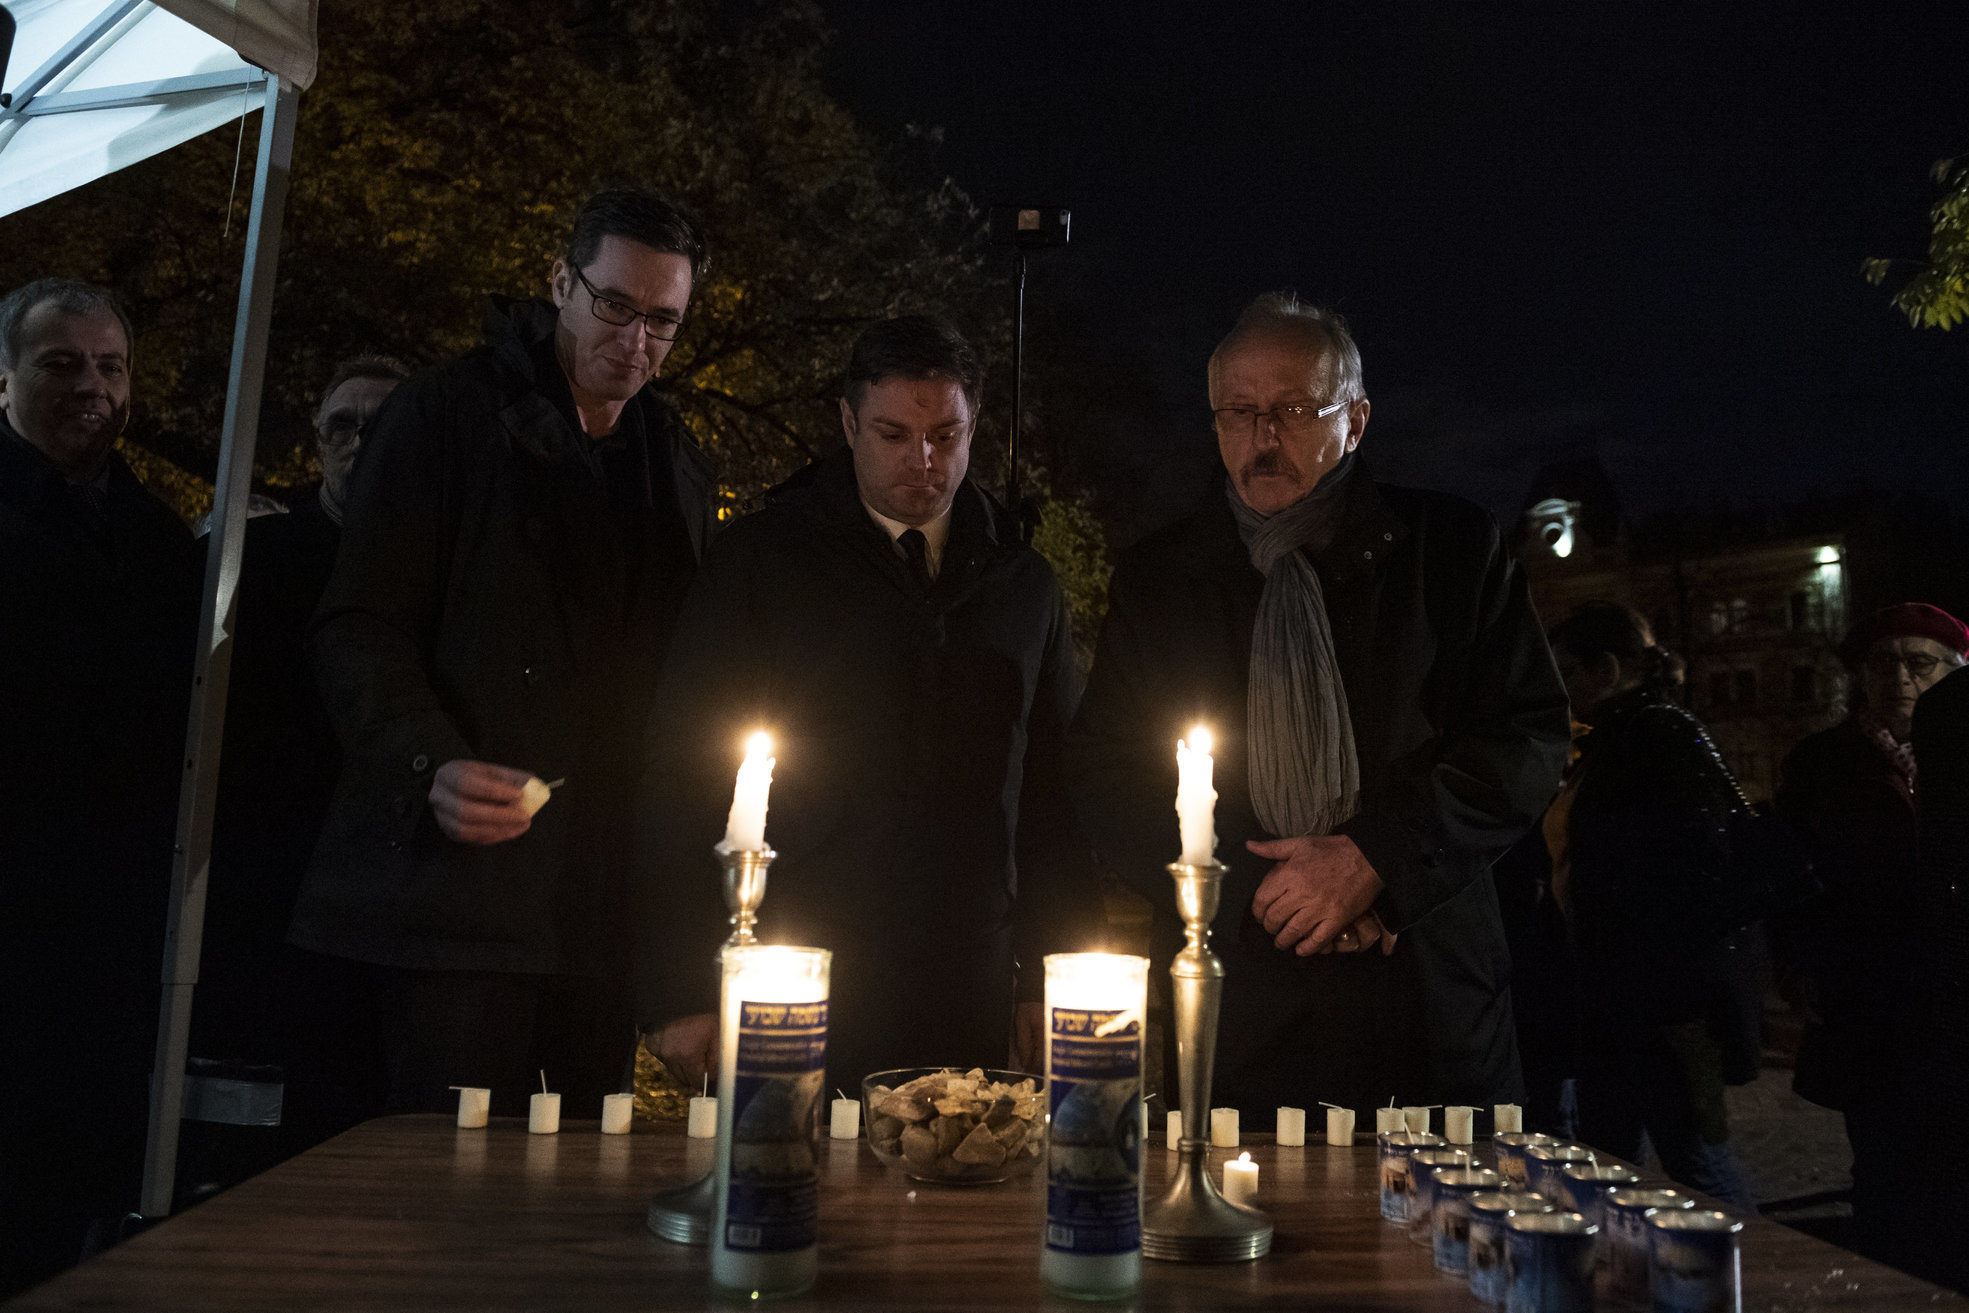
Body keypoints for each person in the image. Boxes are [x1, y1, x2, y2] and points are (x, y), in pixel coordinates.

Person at [1067, 292, 1569, 1119]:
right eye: (1239, 411)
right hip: (1243, 1002)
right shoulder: (1160, 581)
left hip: (1425, 995)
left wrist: (1375, 863)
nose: (1263, 436)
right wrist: (1266, 892)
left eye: (1294, 410)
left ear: (1356, 420)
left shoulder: (1448, 550)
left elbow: (1521, 737)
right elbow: (1108, 771)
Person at [289, 186, 714, 1119]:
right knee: (449, 1171)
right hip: (450, 904)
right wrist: (429, 762)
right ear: (560, 282)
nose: (635, 341)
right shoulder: (443, 414)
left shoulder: (672, 457)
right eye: (614, 305)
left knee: (578, 1176)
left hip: (593, 908)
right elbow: (358, 622)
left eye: (662, 321)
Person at [635, 314, 1095, 1094]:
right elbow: (680, 775)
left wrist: (1051, 974)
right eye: (893, 434)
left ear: (974, 426)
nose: (923, 460)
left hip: (968, 976)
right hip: (795, 968)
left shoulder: (1023, 586)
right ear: (848, 424)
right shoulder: (761, 563)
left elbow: (1054, 798)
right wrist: (678, 984)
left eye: (945, 435)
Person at [0, 278, 199, 1295]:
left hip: (108, 917)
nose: (92, 385)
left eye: (111, 366)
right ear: (6, 377)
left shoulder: (161, 542)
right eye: (62, 362)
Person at [193, 356, 410, 1167]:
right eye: (341, 426)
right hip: (271, 873)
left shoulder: (456, 566)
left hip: (392, 884)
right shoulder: (257, 557)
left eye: (381, 427)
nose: (359, 442)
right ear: (318, 441)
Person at [1549, 601, 1762, 1208]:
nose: (1557, 688)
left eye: (1566, 672)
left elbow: (1696, 868)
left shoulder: (1657, 735)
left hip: (1662, 1004)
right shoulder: (1615, 739)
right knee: (1613, 1160)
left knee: (1695, 1163)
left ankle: (1742, 1261)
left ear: (1606, 670)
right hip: (1621, 997)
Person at [1778, 603, 1968, 1263]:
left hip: (1953, 988)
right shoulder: (1822, 761)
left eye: (1921, 663)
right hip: (1869, 989)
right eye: (1883, 662)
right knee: (1882, 1159)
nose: (1900, 677)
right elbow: (1793, 872)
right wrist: (1801, 962)